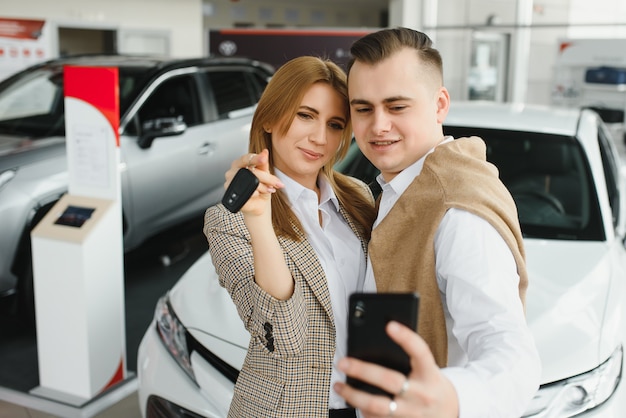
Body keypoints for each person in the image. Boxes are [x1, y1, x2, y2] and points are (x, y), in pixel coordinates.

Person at [332, 27, 542, 418]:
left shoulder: (458, 211)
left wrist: (454, 399)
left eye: (397, 107)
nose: (378, 126)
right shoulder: (401, 189)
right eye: (363, 108)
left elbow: (509, 350)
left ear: (440, 105)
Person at [203, 55, 376, 418]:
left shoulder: (357, 196)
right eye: (305, 115)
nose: (319, 137)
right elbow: (284, 336)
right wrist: (260, 220)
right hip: (288, 408)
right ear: (269, 116)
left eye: (334, 124)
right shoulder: (228, 221)